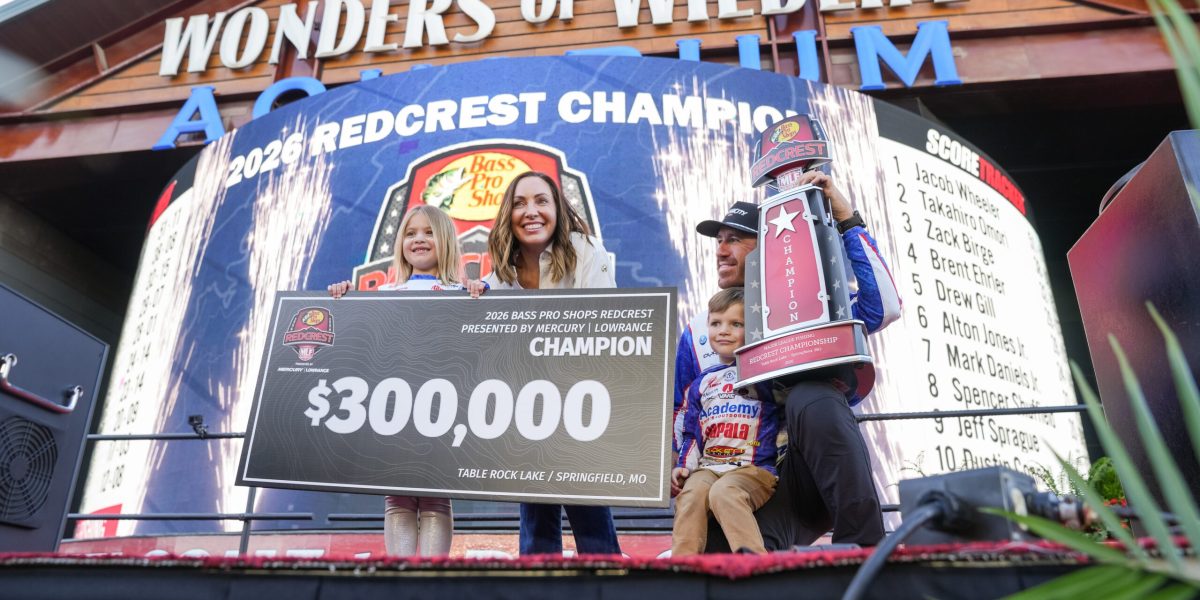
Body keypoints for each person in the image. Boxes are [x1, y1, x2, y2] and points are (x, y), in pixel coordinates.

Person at [682, 170, 901, 549]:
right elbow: (677, 410)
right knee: (735, 567)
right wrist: (681, 468)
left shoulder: (810, 305)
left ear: (769, 245)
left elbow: (884, 307)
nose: (720, 251)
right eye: (718, 241)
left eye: (734, 240)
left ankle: (865, 549)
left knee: (811, 396)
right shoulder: (702, 329)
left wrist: (847, 219)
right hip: (734, 490)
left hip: (806, 482)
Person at [468, 170, 621, 556]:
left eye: (540, 201)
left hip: (580, 401)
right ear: (508, 214)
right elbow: (486, 342)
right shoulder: (501, 270)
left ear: (558, 209)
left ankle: (611, 585)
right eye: (519, 203)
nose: (530, 211)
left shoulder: (585, 250)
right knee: (535, 516)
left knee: (590, 517)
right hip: (527, 408)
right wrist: (473, 295)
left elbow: (609, 324)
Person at [327, 204, 467, 557]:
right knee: (397, 497)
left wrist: (478, 294)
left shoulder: (464, 294)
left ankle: (431, 585)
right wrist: (344, 299)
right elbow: (357, 341)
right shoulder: (384, 294)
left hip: (441, 407)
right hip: (393, 408)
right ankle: (400, 582)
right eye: (410, 233)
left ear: (446, 240)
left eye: (428, 232)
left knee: (435, 496)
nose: (418, 239)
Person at [672, 288, 780, 556]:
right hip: (709, 467)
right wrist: (684, 466)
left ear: (753, 328)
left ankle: (757, 568)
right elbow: (691, 433)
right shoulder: (701, 382)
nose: (723, 331)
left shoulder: (766, 376)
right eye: (716, 323)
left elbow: (787, 413)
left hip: (753, 469)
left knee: (725, 492)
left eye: (736, 324)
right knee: (692, 493)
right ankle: (682, 570)